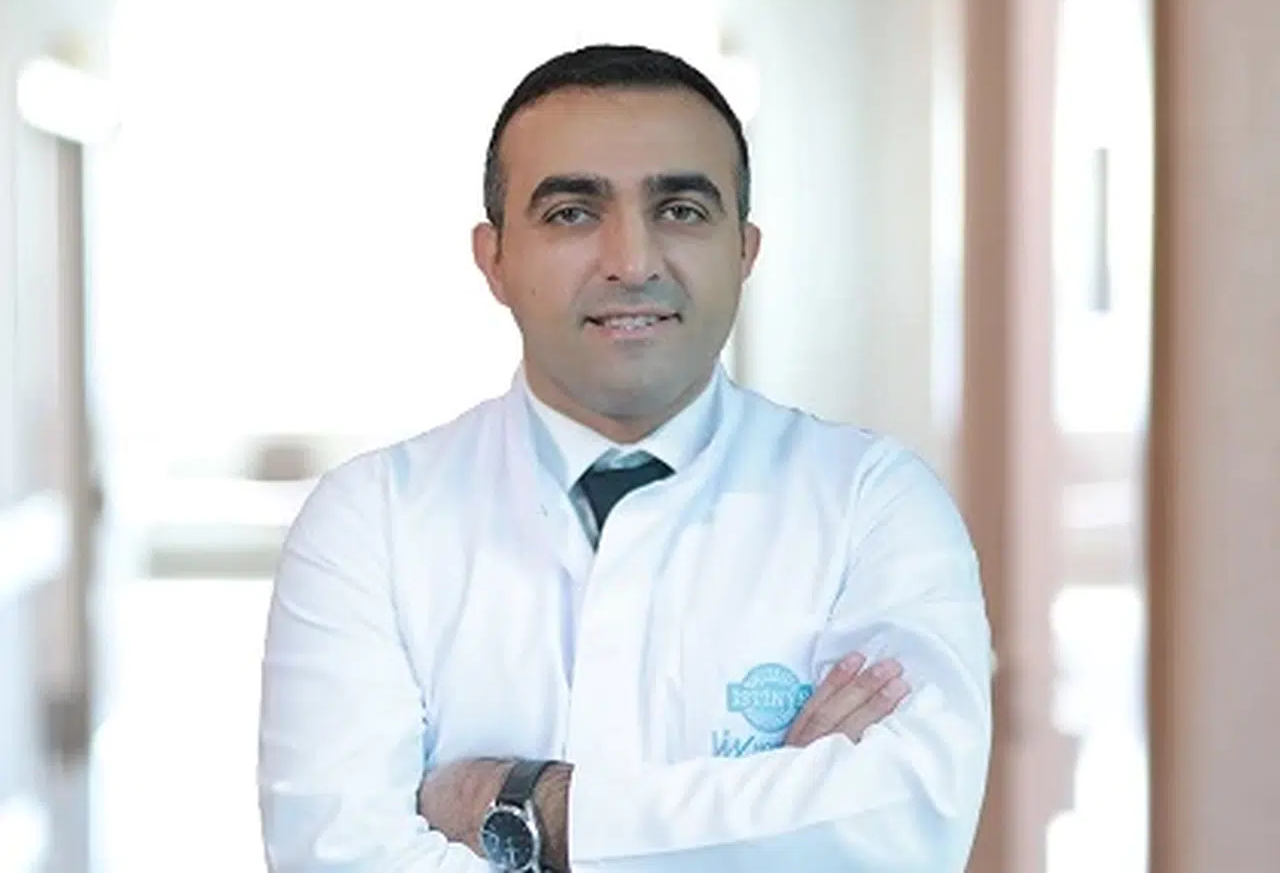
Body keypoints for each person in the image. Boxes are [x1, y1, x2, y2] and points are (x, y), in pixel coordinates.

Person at [257, 44, 993, 873]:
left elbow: (906, 826)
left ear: (744, 250)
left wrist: (528, 807)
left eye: (680, 209)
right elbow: (338, 857)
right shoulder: (370, 523)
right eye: (573, 213)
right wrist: (776, 815)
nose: (633, 262)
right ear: (494, 259)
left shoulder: (873, 503)